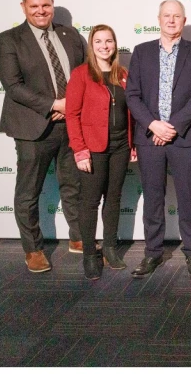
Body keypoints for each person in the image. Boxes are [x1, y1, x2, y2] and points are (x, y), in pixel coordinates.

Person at [0, 0, 85, 273]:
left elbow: (83, 75)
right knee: (28, 191)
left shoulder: (70, 35)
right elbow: (13, 87)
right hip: (33, 127)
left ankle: (78, 237)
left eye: (45, 5)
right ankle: (33, 249)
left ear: (52, 4)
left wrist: (71, 105)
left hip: (70, 125)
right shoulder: (9, 39)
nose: (40, 11)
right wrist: (54, 105)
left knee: (73, 185)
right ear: (23, 7)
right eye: (34, 6)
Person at [125, 0, 191, 279]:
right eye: (166, 15)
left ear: (184, 21)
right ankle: (152, 253)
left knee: (188, 198)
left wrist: (171, 126)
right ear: (158, 19)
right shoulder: (141, 52)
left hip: (184, 136)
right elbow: (133, 95)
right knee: (153, 197)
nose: (171, 20)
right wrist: (153, 125)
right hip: (149, 137)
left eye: (177, 16)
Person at [65, 24, 135, 279]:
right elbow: (71, 114)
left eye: (109, 41)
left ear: (115, 45)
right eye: (99, 41)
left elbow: (131, 111)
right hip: (92, 148)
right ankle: (89, 255)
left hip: (120, 146)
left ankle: (109, 248)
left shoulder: (123, 74)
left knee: (114, 198)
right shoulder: (81, 74)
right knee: (90, 202)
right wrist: (79, 150)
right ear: (91, 45)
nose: (104, 46)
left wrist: (133, 143)